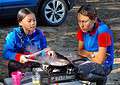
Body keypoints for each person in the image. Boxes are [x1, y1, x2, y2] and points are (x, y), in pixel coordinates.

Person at [3, 8, 54, 77]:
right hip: (20, 63)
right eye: (29, 21)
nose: (33, 23)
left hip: (35, 61)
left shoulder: (40, 34)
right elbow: (6, 53)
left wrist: (48, 52)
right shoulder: (13, 36)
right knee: (12, 64)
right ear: (20, 22)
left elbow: (43, 49)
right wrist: (19, 57)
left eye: (34, 20)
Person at [76, 4, 114, 85]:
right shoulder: (82, 29)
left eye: (85, 21)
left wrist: (87, 54)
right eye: (79, 21)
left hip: (105, 65)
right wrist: (92, 54)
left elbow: (100, 61)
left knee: (81, 72)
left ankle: (101, 78)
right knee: (70, 69)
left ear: (94, 20)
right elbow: (79, 51)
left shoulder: (103, 31)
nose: (81, 25)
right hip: (89, 60)